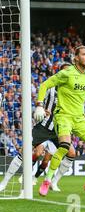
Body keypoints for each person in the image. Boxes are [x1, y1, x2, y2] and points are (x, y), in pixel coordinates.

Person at [35, 46, 85, 196]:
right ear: (76, 58)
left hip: (80, 118)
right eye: (84, 54)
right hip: (64, 116)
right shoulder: (66, 73)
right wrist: (39, 105)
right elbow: (44, 85)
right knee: (65, 146)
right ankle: (47, 181)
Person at [0, 63, 75, 193]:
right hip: (44, 127)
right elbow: (38, 103)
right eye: (65, 72)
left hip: (60, 129)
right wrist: (40, 109)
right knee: (25, 151)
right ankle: (4, 183)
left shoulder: (73, 92)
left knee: (72, 153)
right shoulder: (50, 89)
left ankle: (54, 182)